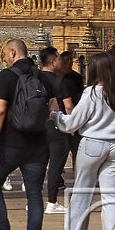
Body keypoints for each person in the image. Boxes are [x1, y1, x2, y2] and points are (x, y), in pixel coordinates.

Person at [0, 36, 53, 230]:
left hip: (11, 143)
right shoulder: (44, 77)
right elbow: (53, 110)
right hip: (39, 144)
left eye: (5, 55)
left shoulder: (7, 76)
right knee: (34, 193)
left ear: (13, 53)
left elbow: (0, 111)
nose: (4, 59)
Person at [55, 51, 115, 230]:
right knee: (112, 197)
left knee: (81, 193)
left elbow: (73, 123)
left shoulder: (92, 93)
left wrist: (55, 116)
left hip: (93, 145)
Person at [42, 47, 83, 201]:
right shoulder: (59, 82)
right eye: (59, 58)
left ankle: (31, 198)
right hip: (58, 125)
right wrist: (72, 125)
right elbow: (69, 106)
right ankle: (52, 201)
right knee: (56, 165)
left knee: (39, 162)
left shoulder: (35, 78)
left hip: (38, 125)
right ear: (53, 62)